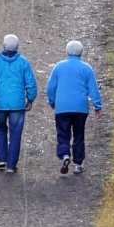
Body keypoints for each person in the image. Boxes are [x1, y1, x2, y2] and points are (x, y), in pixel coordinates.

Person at [45, 39, 102, 175]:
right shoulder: (86, 68)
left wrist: (52, 102)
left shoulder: (59, 67)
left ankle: (64, 154)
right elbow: (93, 89)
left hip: (62, 107)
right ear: (81, 52)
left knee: (63, 133)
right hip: (80, 108)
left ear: (67, 51)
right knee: (79, 134)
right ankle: (78, 163)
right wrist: (97, 106)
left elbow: (50, 87)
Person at [0, 33, 37, 173]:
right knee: (15, 133)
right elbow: (30, 83)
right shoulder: (23, 62)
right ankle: (11, 164)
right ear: (17, 47)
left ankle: (1, 158)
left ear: (3, 46)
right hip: (17, 105)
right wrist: (30, 99)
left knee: (1, 128)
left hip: (0, 104)